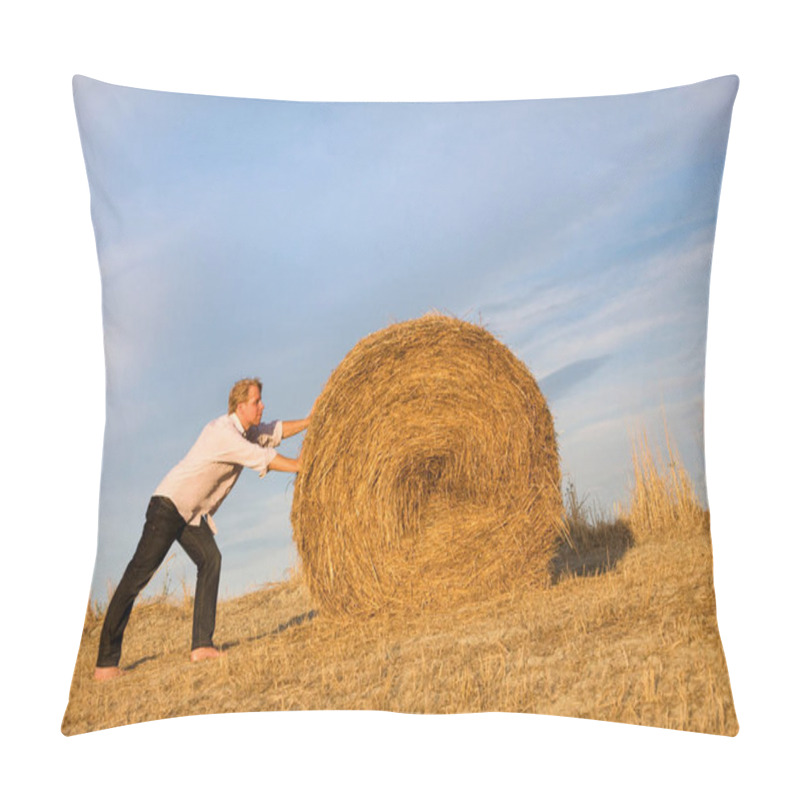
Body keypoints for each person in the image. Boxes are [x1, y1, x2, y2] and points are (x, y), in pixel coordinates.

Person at [93, 378, 313, 681]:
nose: (262, 406)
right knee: (137, 576)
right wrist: (300, 466)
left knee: (210, 559)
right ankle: (105, 663)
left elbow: (273, 432)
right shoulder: (223, 433)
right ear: (240, 406)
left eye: (261, 401)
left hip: (191, 513)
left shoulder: (247, 431)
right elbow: (260, 458)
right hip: (168, 507)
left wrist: (310, 421)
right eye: (256, 402)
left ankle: (201, 646)